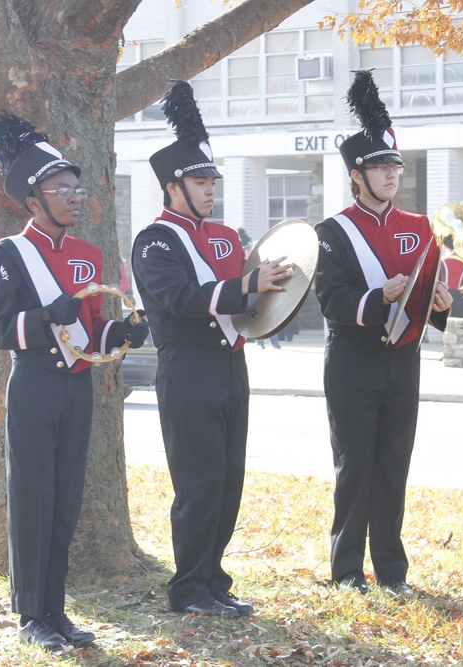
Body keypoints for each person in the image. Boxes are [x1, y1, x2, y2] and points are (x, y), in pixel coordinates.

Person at [0, 111, 148, 650]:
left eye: (76, 188)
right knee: (33, 497)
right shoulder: (10, 253)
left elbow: (90, 337)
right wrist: (45, 316)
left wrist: (120, 334)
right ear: (33, 201)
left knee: (66, 500)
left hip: (77, 389)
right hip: (33, 387)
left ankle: (57, 608)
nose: (75, 197)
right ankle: (32, 614)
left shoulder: (88, 254)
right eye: (62, 189)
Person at [131, 80, 290, 618]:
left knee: (228, 478)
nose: (209, 189)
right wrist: (249, 285)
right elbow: (178, 299)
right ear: (172, 186)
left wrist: (273, 285)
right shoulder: (153, 239)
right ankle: (189, 587)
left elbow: (246, 296)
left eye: (211, 179)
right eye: (199, 181)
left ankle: (214, 579)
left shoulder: (224, 236)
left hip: (230, 362)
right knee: (198, 481)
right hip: (187, 365)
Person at [315, 70, 452, 596]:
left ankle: (392, 569)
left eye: (395, 164)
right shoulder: (332, 231)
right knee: (355, 465)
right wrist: (381, 298)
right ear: (357, 174)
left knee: (394, 462)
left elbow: (433, 289)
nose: (392, 173)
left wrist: (440, 305)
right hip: (352, 360)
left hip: (404, 358)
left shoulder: (420, 226)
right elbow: (332, 301)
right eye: (380, 165)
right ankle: (347, 569)